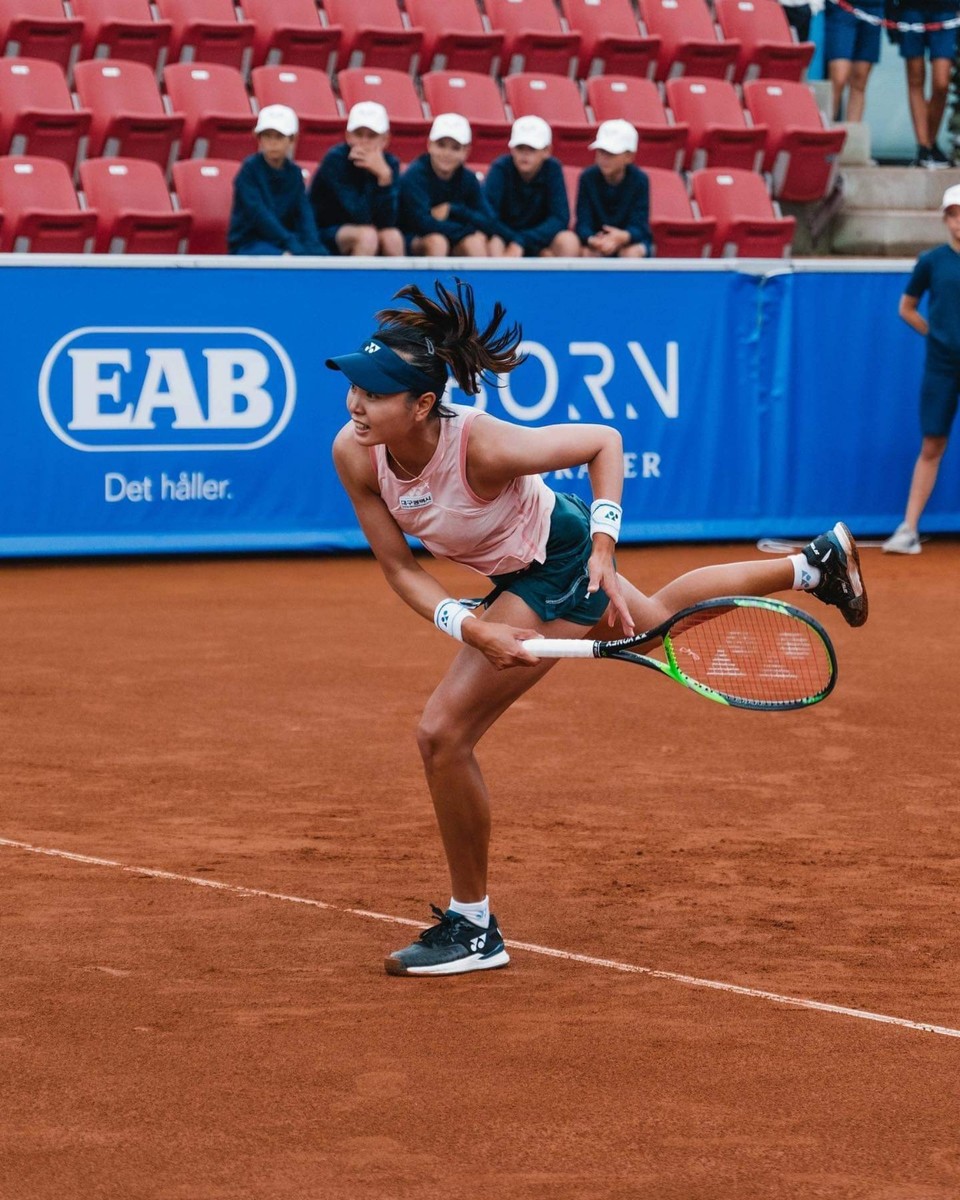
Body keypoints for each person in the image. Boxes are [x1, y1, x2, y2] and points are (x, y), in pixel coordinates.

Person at [328, 278, 869, 977]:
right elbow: (400, 569)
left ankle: (472, 927)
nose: (355, 404)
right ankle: (812, 565)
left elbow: (603, 442)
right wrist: (470, 627)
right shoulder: (355, 450)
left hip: (555, 560)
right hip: (513, 570)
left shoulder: (482, 446)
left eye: (373, 393)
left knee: (442, 733)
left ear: (423, 403)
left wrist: (605, 554)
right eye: (354, 387)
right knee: (659, 629)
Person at [883, 184, 960, 553]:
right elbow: (907, 307)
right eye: (954, 214)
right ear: (946, 219)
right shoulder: (932, 261)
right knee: (932, 444)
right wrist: (937, 336)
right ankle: (909, 530)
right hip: (942, 366)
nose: (959, 221)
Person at [308, 101, 404, 257]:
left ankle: (398, 282)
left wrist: (384, 179)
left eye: (372, 136)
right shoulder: (335, 160)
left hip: (365, 229)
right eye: (358, 134)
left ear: (385, 139)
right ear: (348, 136)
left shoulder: (389, 165)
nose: (364, 141)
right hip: (324, 233)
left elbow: (389, 222)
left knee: (393, 237)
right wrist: (374, 173)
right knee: (367, 236)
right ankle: (357, 282)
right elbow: (359, 215)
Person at [398, 113, 501, 257]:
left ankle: (480, 281)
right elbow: (422, 223)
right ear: (430, 145)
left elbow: (490, 222)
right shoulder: (414, 176)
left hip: (452, 235)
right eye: (441, 145)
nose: (447, 153)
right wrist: (466, 229)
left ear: (466, 151)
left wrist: (453, 209)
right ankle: (432, 280)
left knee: (476, 242)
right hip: (414, 238)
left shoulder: (469, 179)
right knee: (438, 242)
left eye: (455, 148)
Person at [228, 104, 325, 257]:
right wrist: (290, 243)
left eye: (279, 137)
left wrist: (314, 246)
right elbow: (258, 215)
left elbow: (303, 213)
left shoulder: (294, 173)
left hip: (284, 240)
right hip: (249, 243)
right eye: (267, 136)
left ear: (292, 139)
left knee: (319, 256)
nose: (272, 143)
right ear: (258, 138)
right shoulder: (249, 171)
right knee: (287, 259)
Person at [483, 115, 581, 259]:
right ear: (512, 149)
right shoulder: (500, 168)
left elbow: (560, 218)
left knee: (568, 241)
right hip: (505, 236)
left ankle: (559, 282)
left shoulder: (553, 169)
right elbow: (488, 216)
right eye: (520, 148)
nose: (525, 154)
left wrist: (523, 240)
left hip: (540, 238)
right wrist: (514, 239)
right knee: (494, 242)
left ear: (547, 151)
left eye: (532, 149)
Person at [886, 0, 956, 165]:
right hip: (911, 9)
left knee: (941, 83)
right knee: (915, 77)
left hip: (946, 10)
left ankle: (931, 141)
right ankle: (923, 146)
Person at [575, 119, 653, 258]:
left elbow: (640, 226)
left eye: (611, 153)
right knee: (586, 253)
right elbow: (582, 223)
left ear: (629, 157)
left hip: (630, 241)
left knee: (632, 253)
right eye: (601, 151)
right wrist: (593, 240)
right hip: (596, 242)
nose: (604, 158)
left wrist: (623, 237)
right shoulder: (587, 177)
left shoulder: (640, 180)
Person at [823, 0, 883, 123]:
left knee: (860, 78)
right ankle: (827, 128)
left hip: (873, 9)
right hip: (841, 8)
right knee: (838, 77)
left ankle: (852, 134)